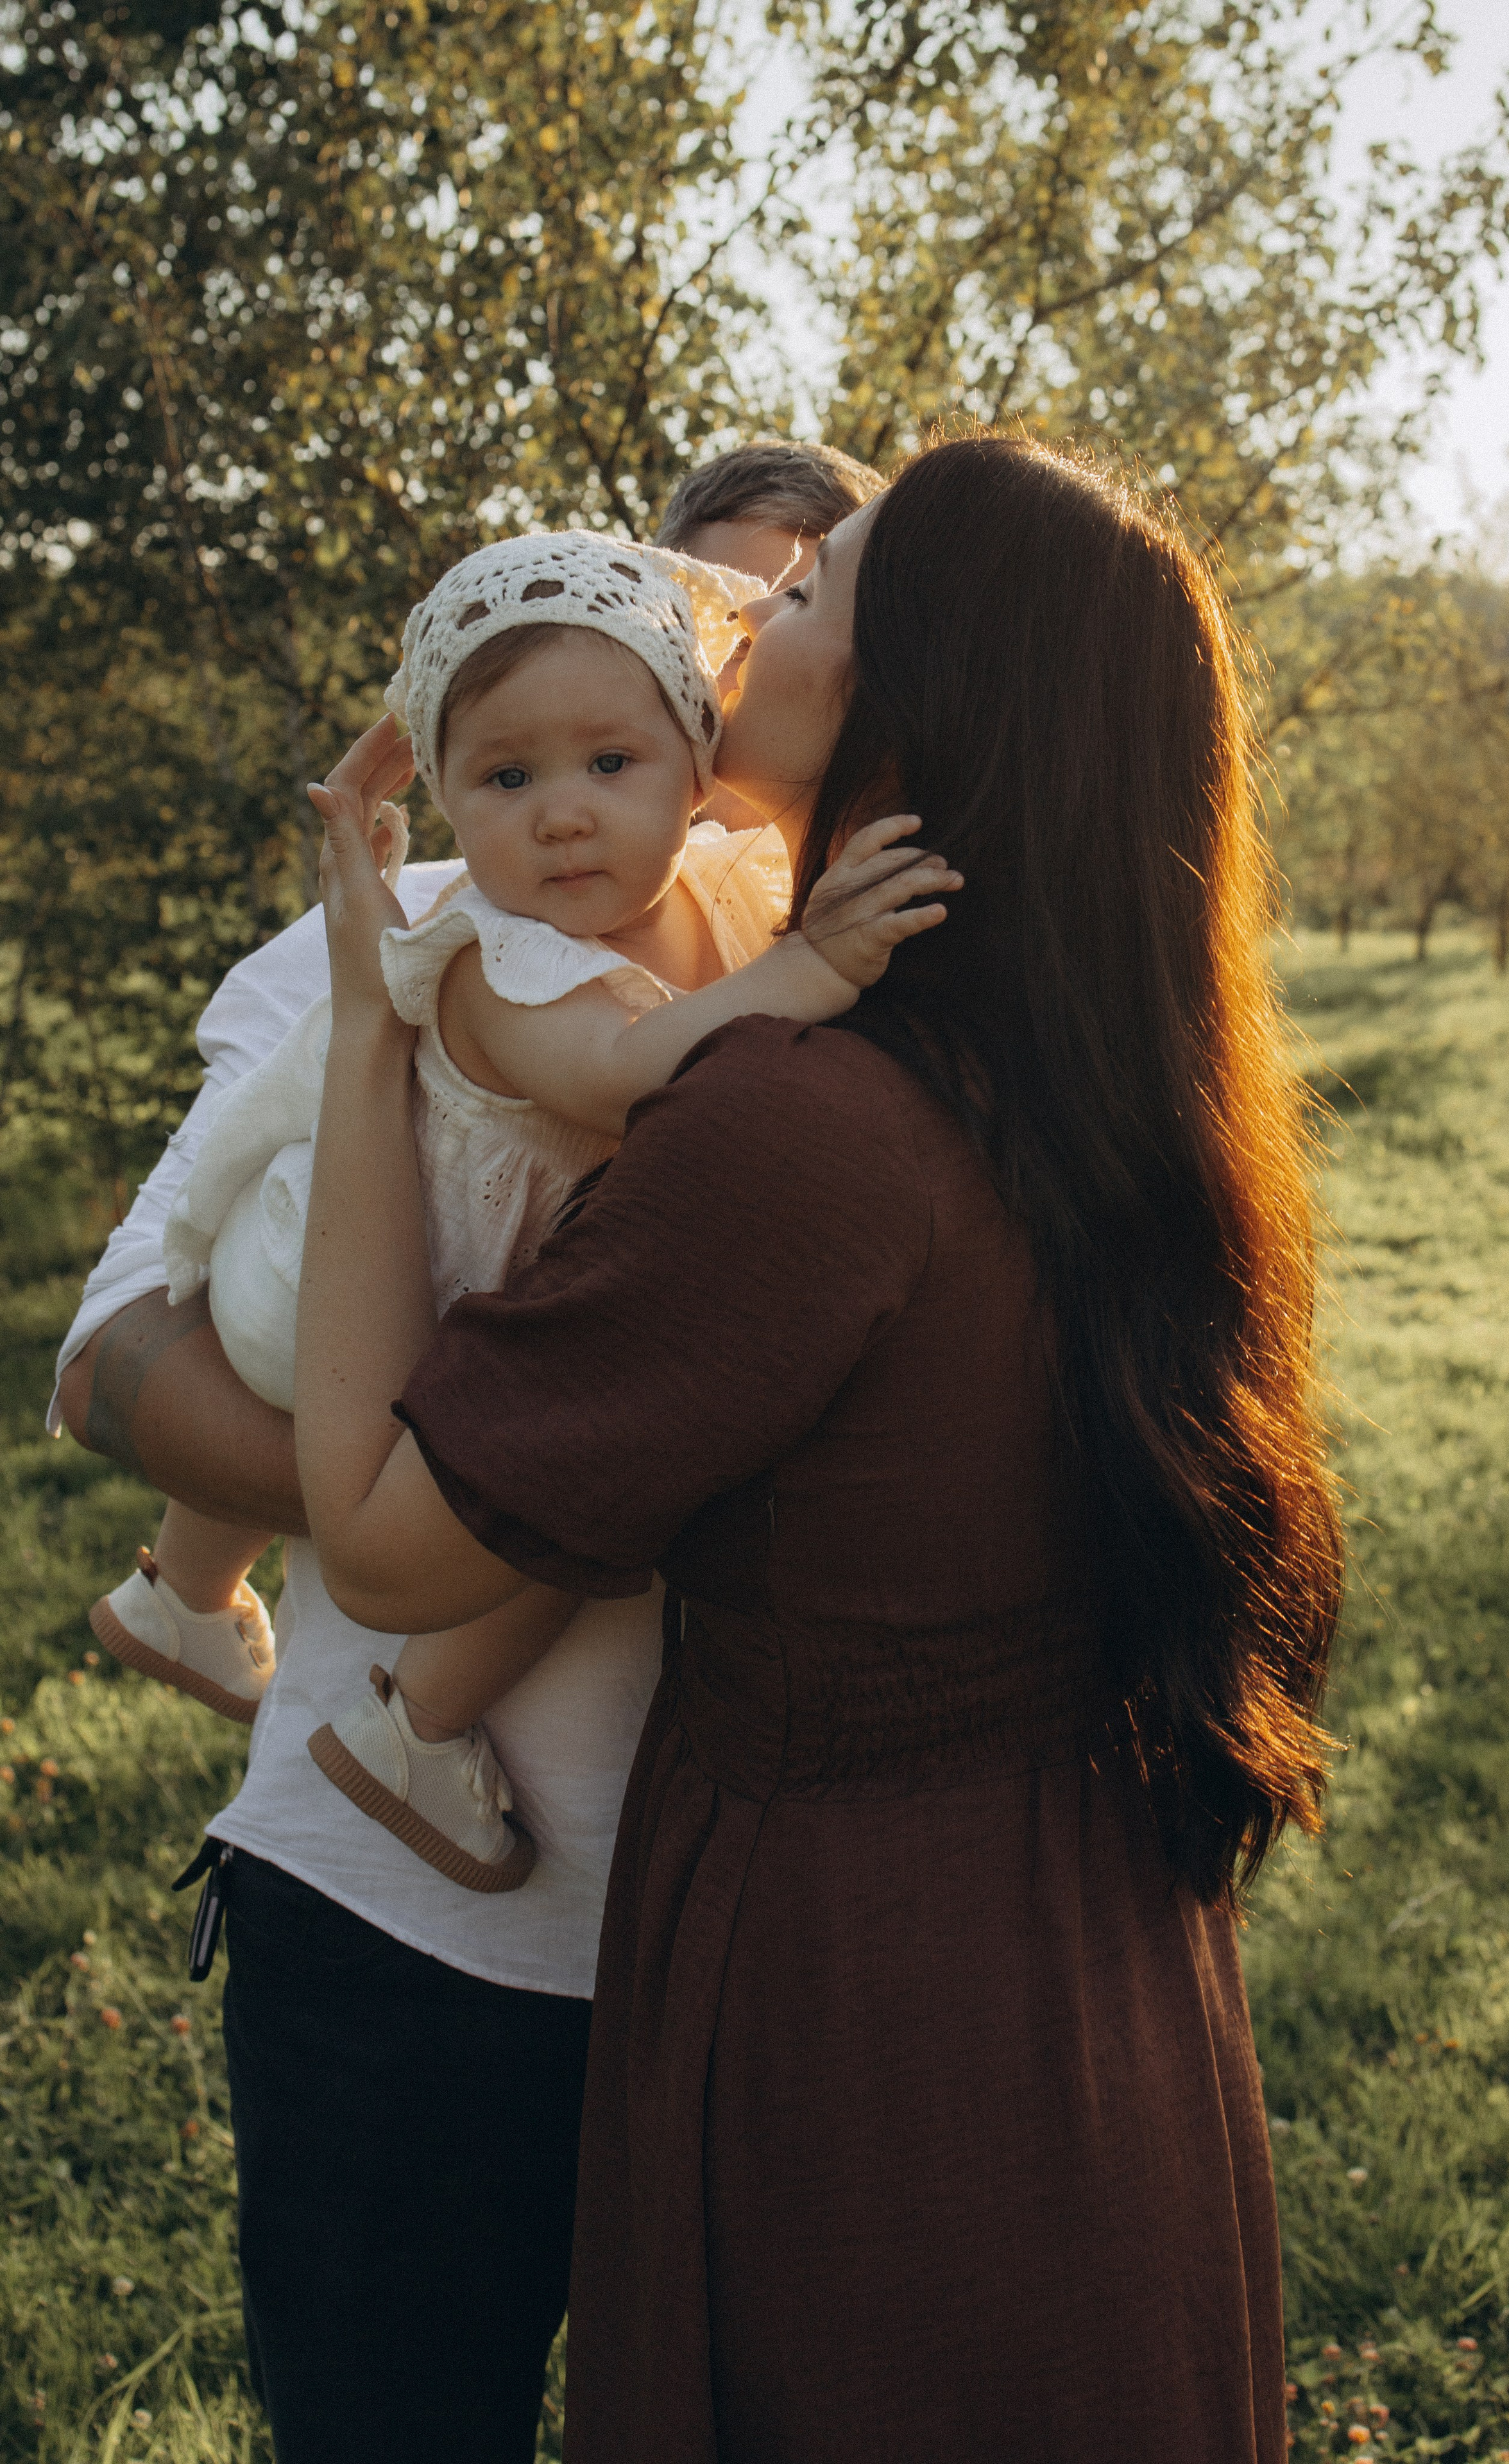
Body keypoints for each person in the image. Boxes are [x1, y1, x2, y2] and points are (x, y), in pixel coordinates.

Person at [296, 433, 1344, 2461]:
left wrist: (368, 1025)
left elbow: (381, 1546)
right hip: (1096, 1975)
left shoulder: (802, 1126)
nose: (750, 608)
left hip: (870, 2024)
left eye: (817, 590)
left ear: (906, 691)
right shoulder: (1109, 1084)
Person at [51, 440, 882, 2462]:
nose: (734, 653)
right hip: (401, 1939)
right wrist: (415, 1497)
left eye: (785, 622)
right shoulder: (421, 921)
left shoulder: (863, 958)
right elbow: (108, 1354)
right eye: (703, 604)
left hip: (764, 1939)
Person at [99, 527, 948, 1892]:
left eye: (609, 765)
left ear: (691, 754)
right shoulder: (488, 951)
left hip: (399, 1292)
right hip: (345, 1291)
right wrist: (819, 967)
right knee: (571, 1493)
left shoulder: (720, 893)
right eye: (506, 777)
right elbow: (631, 1075)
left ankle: (184, 1592)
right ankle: (414, 1726)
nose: (561, 812)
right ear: (437, 796)